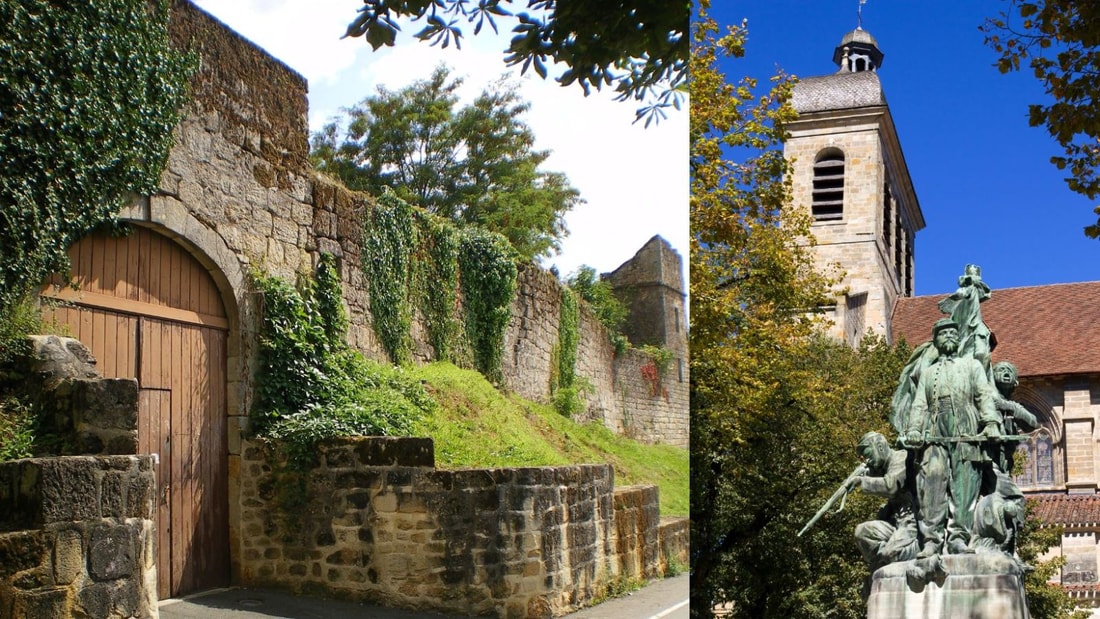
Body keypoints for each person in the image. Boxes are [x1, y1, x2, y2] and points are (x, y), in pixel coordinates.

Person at [902, 317, 1002, 557]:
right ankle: (932, 541)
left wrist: (990, 423)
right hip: (934, 429)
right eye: (942, 333)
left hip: (966, 428)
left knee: (964, 485)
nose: (948, 336)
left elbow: (983, 395)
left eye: (952, 333)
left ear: (958, 340)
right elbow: (920, 404)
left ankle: (958, 537)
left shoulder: (971, 365)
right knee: (932, 481)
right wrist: (914, 429)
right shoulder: (928, 372)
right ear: (935, 340)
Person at [851, 431, 919, 571]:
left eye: (869, 455)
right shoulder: (882, 468)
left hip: (912, 523)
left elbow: (891, 486)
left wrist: (862, 481)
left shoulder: (901, 457)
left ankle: (917, 547)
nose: (867, 461)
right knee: (862, 532)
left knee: (891, 554)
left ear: (880, 447)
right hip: (896, 523)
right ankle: (885, 558)